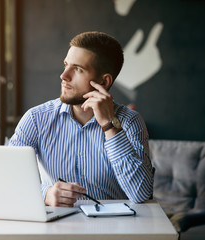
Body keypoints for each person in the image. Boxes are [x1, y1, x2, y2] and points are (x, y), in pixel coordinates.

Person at [9, 31, 153, 207]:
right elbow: (8, 178)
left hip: (112, 229)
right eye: (65, 65)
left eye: (78, 69)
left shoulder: (130, 122)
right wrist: (45, 194)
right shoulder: (36, 119)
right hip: (55, 229)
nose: (64, 76)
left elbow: (141, 194)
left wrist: (109, 126)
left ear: (104, 82)